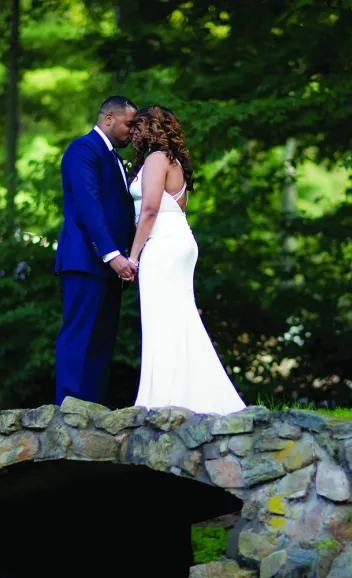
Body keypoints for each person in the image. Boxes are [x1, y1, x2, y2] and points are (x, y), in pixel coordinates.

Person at [126, 106, 247, 415]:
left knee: (162, 320)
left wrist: (134, 255)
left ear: (150, 128)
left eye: (137, 127)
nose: (133, 134)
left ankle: (163, 400)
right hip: (180, 241)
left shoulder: (156, 159)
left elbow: (151, 209)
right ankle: (190, 396)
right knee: (180, 317)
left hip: (162, 245)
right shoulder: (174, 161)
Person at [54, 96, 138, 409]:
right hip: (86, 260)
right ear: (108, 119)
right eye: (129, 124)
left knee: (102, 341)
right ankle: (69, 410)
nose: (133, 131)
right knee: (79, 336)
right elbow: (90, 206)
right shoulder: (83, 150)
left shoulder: (113, 156)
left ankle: (93, 411)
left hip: (109, 265)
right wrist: (112, 254)